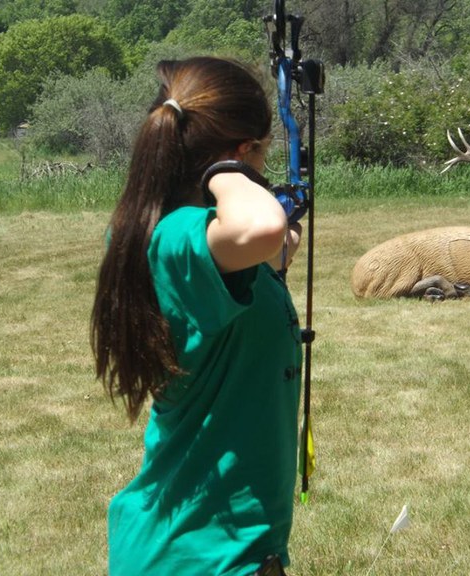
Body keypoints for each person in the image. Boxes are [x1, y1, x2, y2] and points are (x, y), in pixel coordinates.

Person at [91, 56, 303, 576]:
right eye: (261, 154)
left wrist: (275, 238)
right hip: (206, 553)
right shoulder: (177, 238)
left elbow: (262, 246)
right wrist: (231, 172)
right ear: (242, 150)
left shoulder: (167, 235)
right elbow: (261, 231)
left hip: (198, 542)